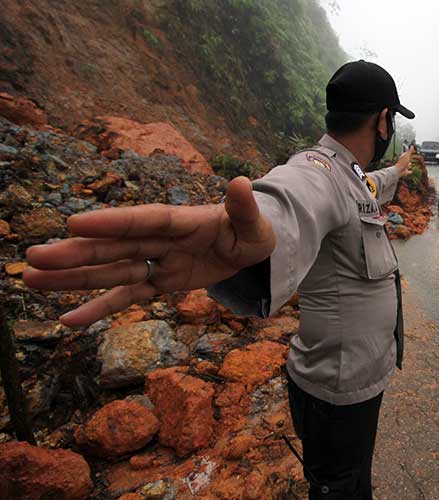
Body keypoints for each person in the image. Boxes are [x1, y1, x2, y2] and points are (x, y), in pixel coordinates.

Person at [22, 60, 417, 499]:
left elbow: (372, 186)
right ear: (383, 120)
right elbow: (292, 196)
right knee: (337, 488)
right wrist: (251, 228)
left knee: (356, 481)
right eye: (393, 121)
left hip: (361, 381)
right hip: (336, 393)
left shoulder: (353, 176)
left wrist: (399, 169)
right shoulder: (317, 169)